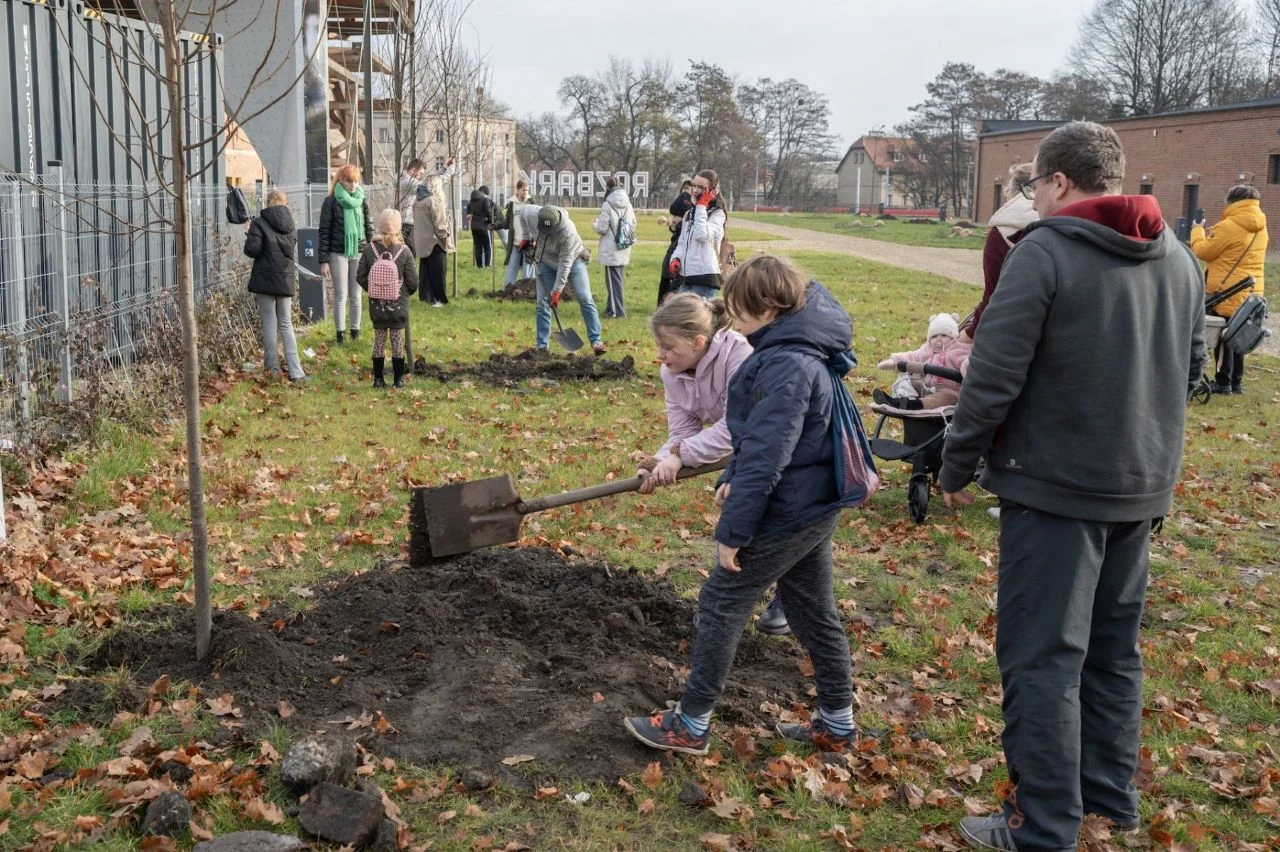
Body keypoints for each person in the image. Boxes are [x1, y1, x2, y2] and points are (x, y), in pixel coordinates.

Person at [937, 121, 1206, 851]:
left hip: (1055, 489)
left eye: (1035, 186)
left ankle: (1043, 823)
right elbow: (1191, 370)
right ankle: (1110, 798)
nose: (1034, 199)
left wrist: (955, 464)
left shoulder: (1045, 252)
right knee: (1112, 651)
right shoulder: (1179, 255)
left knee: (1044, 657)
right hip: (1139, 484)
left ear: (1058, 181)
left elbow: (993, 376)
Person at [624, 254, 864, 755]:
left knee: (722, 601)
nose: (729, 316)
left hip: (792, 506)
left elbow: (764, 454)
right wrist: (723, 473)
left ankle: (691, 724)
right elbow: (763, 437)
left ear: (769, 307)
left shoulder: (787, 364)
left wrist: (733, 531)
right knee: (813, 611)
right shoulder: (787, 350)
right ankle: (837, 725)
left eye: (738, 307)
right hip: (812, 501)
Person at [634, 293, 788, 634]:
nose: (660, 354)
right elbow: (683, 431)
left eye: (668, 347)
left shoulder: (739, 356)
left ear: (698, 342)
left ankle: (783, 600)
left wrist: (680, 457)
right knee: (754, 517)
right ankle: (741, 603)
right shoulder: (672, 372)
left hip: (786, 443)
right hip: (750, 445)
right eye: (658, 345)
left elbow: (735, 426)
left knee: (783, 519)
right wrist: (659, 462)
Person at [1191, 184, 1268, 395]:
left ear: (1231, 201)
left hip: (1228, 289)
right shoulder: (1261, 226)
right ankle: (1237, 382)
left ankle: (1223, 382)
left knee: (1224, 334)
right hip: (1250, 289)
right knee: (1240, 332)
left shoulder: (1229, 225)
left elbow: (1203, 251)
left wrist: (1197, 230)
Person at [961, 163, 1037, 343]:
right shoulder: (1062, 221)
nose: (1006, 195)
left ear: (1020, 190)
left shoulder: (1002, 232)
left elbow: (993, 297)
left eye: (1007, 190)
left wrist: (965, 337)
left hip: (1013, 335)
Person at [519, 204, 606, 355]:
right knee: (542, 303)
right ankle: (542, 346)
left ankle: (596, 341)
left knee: (585, 297)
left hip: (573, 262)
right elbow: (522, 214)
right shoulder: (531, 214)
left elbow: (565, 265)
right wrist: (526, 238)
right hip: (546, 262)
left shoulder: (568, 231)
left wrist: (556, 291)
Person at [243, 188, 307, 383]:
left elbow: (252, 250)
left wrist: (250, 234)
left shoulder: (259, 223)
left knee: (269, 324)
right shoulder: (290, 224)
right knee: (286, 324)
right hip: (285, 280)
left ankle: (272, 370)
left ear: (267, 203)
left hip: (265, 280)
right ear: (285, 204)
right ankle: (296, 372)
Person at [357, 209, 419, 388]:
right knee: (397, 342)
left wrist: (374, 290)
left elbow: (360, 276)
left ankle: (378, 379)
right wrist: (403, 294)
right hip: (398, 306)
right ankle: (398, 380)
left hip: (377, 306)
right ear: (398, 228)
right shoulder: (404, 251)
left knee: (379, 341)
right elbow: (413, 281)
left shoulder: (369, 250)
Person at [318, 164, 373, 343]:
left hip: (359, 251)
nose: (353, 185)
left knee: (356, 295)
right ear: (341, 180)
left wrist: (372, 253)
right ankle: (340, 335)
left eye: (356, 181)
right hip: (338, 253)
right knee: (341, 295)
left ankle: (355, 333)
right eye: (350, 182)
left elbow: (369, 227)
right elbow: (324, 232)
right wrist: (323, 260)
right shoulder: (330, 201)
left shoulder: (362, 199)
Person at [871, 313, 970, 410]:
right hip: (925, 387)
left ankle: (911, 405)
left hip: (948, 392)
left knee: (938, 399)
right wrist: (894, 362)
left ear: (953, 337)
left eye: (944, 335)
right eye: (934, 336)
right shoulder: (926, 350)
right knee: (907, 380)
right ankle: (899, 399)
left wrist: (968, 371)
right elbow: (912, 356)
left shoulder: (957, 351)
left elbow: (966, 362)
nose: (938, 339)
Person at [669, 170, 727, 299]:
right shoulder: (689, 213)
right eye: (694, 185)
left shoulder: (717, 214)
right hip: (686, 277)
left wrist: (701, 206)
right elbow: (682, 243)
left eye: (701, 187)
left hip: (705, 278)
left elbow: (701, 236)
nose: (695, 190)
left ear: (713, 190)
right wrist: (675, 258)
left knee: (700, 313)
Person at [593, 176, 638, 318]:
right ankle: (610, 308)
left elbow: (602, 228)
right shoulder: (628, 203)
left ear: (608, 188)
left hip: (610, 246)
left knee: (612, 282)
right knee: (617, 279)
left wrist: (595, 224)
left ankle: (616, 312)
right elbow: (633, 223)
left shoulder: (607, 204)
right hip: (623, 243)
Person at [411, 173, 455, 307]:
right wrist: (445, 238)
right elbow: (440, 223)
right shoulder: (434, 201)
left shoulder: (417, 201)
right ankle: (440, 299)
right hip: (435, 241)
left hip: (422, 241)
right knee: (438, 272)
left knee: (425, 271)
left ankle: (426, 298)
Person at [658, 180, 695, 306]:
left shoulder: (685, 233)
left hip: (675, 276)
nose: (673, 219)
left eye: (675, 216)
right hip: (668, 273)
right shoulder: (678, 232)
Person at [501, 180, 536, 288]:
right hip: (516, 243)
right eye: (523, 190)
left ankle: (528, 291)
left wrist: (535, 239)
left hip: (528, 243)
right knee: (512, 267)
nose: (526, 192)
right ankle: (508, 289)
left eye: (527, 190)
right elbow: (507, 222)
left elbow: (536, 222)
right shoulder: (512, 204)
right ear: (518, 190)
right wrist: (496, 225)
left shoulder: (531, 203)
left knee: (527, 271)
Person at [466, 185, 495, 268]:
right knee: (488, 247)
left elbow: (468, 211)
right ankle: (487, 265)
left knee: (477, 247)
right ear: (483, 192)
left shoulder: (471, 200)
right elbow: (488, 212)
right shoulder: (485, 200)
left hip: (474, 226)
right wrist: (490, 222)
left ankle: (479, 266)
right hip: (484, 225)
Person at [397, 158, 424, 243]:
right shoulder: (409, 183)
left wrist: (444, 168)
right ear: (413, 171)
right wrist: (447, 172)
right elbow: (429, 185)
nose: (420, 176)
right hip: (407, 224)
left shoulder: (402, 179)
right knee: (410, 249)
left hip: (404, 222)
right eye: (420, 173)